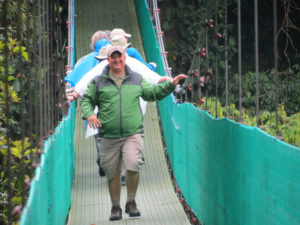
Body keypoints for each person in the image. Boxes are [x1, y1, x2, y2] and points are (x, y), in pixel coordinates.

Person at [80, 45, 186, 221]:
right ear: (108, 60)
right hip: (108, 135)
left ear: (124, 58)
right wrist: (89, 114)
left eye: (119, 57)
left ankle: (131, 201)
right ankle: (115, 206)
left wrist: (171, 85)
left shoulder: (136, 79)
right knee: (112, 172)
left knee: (132, 164)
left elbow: (153, 93)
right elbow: (87, 100)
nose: (116, 60)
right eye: (113, 57)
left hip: (132, 133)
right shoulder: (98, 81)